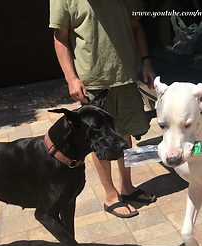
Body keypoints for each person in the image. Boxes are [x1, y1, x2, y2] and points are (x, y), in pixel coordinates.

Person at [49, 0, 157, 218]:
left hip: (125, 76)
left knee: (124, 134)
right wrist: (71, 78)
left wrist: (146, 62)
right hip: (93, 82)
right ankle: (110, 195)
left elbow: (136, 26)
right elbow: (60, 38)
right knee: (99, 139)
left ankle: (127, 187)